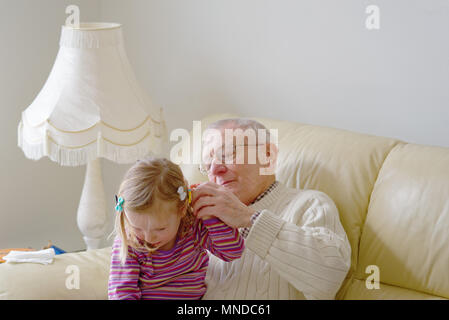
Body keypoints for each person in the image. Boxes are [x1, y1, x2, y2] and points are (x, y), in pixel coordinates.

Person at [191, 118, 351, 300]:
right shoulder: (202, 220)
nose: (215, 169)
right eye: (207, 165)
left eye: (227, 153)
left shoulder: (310, 204)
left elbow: (329, 277)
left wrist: (248, 219)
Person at [108, 157, 244, 300]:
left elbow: (233, 252)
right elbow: (122, 294)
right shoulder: (130, 242)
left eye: (160, 229)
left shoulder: (192, 228)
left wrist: (208, 213)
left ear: (182, 209)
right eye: (137, 228)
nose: (148, 238)